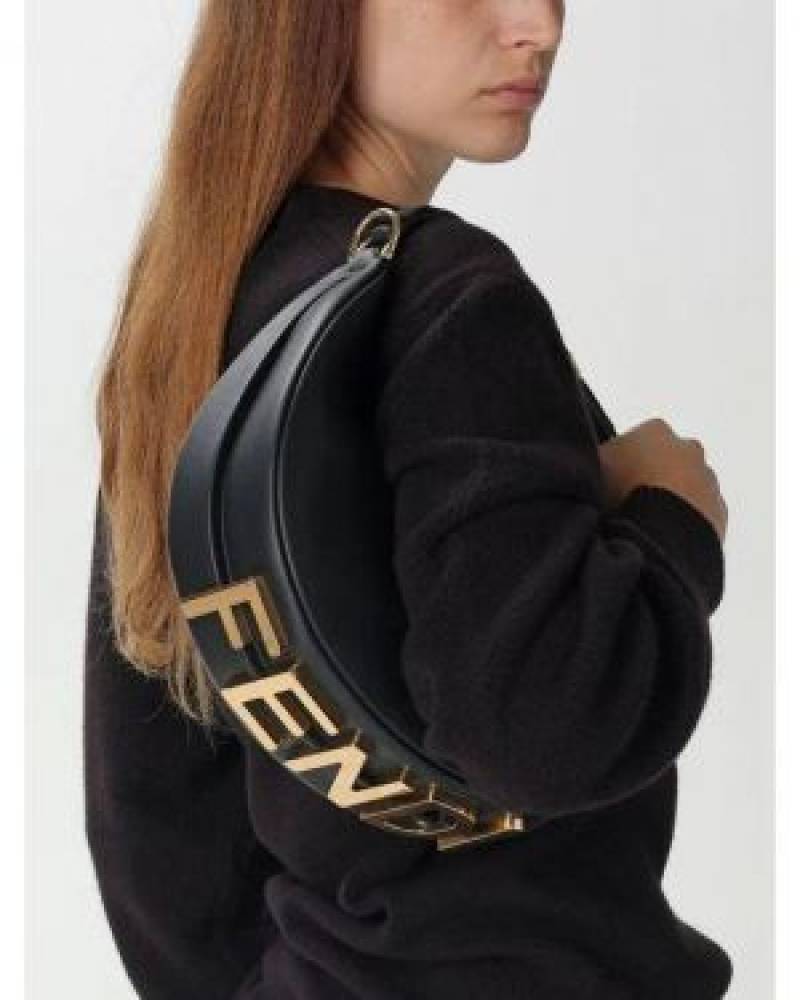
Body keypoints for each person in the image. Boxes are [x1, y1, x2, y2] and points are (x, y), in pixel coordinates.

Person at [83, 2, 733, 997]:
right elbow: (541, 731)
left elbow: (152, 814)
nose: (540, 25)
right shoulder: (450, 295)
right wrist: (667, 522)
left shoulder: (199, 301)